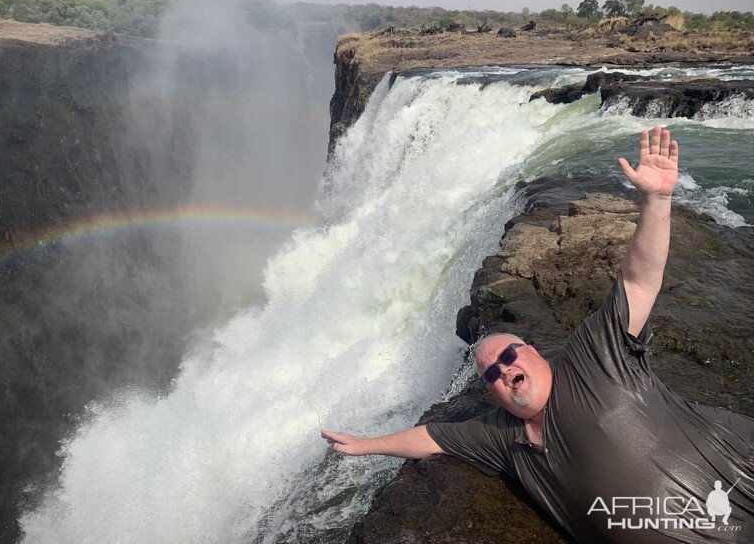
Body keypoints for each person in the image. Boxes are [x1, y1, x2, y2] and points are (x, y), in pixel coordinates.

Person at [322, 127, 754, 543]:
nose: (503, 369)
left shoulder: (594, 359)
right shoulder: (502, 438)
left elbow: (639, 283)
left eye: (509, 355)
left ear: (535, 353)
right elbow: (433, 437)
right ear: (492, 395)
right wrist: (367, 445)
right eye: (491, 373)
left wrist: (657, 200)